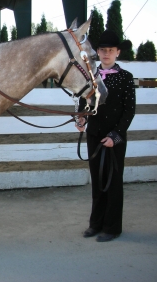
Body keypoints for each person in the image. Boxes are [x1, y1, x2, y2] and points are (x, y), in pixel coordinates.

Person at [76, 30, 135, 242]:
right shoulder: (91, 77)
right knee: (97, 180)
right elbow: (84, 103)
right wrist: (81, 119)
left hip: (114, 138)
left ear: (117, 52)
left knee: (113, 181)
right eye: (102, 50)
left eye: (110, 50)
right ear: (98, 52)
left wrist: (116, 135)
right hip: (94, 135)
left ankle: (112, 227)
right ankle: (96, 223)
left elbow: (129, 110)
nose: (106, 53)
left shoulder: (126, 78)